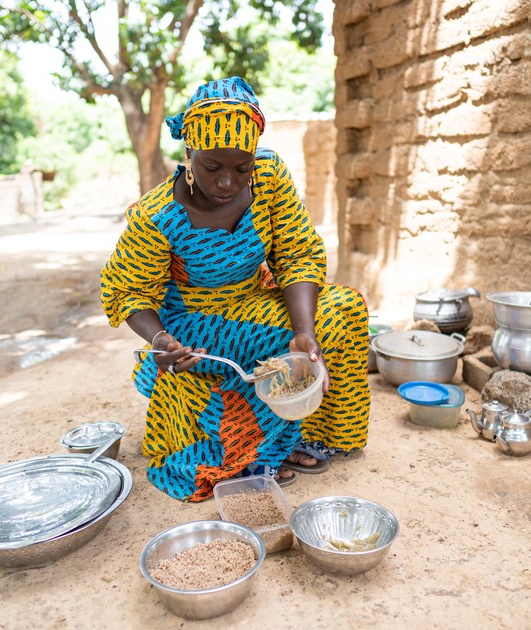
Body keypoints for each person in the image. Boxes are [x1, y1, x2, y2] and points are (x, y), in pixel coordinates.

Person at [100, 76, 371, 502]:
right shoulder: (158, 215)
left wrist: (305, 329)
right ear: (189, 153)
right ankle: (261, 453)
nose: (228, 182)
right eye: (212, 168)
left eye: (240, 168)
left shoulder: (268, 178)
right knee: (276, 339)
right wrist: (159, 339)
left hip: (255, 295)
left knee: (341, 308)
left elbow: (298, 253)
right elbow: (128, 292)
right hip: (191, 317)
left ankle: (316, 434)